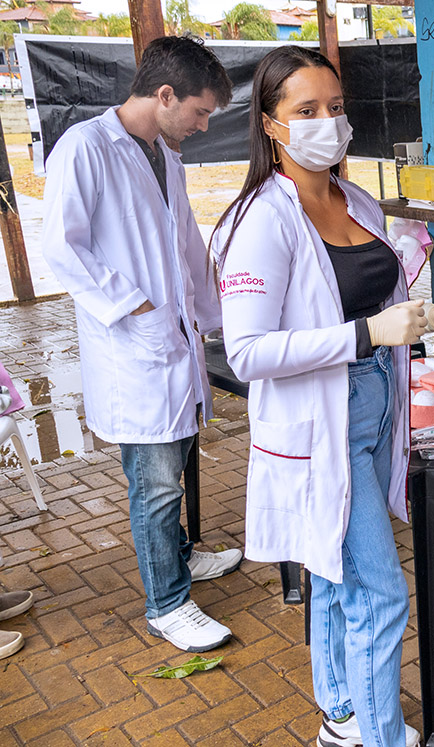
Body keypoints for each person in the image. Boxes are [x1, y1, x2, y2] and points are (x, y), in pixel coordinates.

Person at [211, 46, 434, 747]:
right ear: (270, 124)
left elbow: (373, 295)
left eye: (335, 107)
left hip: (376, 404)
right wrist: (366, 335)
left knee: (334, 571)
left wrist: (426, 317)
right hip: (321, 422)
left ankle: (341, 712)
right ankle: (382, 735)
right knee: (380, 593)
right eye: (305, 110)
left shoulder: (353, 198)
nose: (326, 122)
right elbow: (248, 352)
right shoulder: (262, 220)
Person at [42, 36, 242, 654]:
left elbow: (186, 246)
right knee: (155, 484)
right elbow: (62, 246)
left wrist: (218, 318)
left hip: (172, 339)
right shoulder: (85, 147)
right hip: (133, 344)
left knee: (174, 462)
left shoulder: (165, 156)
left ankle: (179, 556)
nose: (203, 126)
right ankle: (168, 604)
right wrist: (137, 306)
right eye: (200, 112)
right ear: (165, 95)